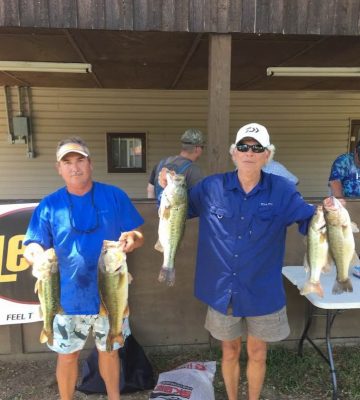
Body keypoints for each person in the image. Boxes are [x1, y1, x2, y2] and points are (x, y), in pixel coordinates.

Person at [172, 122, 314, 400]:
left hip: (262, 289)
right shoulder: (211, 187)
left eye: (257, 148)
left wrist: (333, 217)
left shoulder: (282, 190)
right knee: (230, 350)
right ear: (234, 153)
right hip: (222, 289)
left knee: (258, 352)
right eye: (243, 147)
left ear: (267, 155)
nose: (249, 152)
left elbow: (310, 220)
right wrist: (168, 188)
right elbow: (178, 209)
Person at [23, 137, 144, 400]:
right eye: (67, 162)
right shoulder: (49, 205)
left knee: (110, 352)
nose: (74, 167)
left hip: (109, 293)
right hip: (66, 299)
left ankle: (114, 397)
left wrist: (132, 240)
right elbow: (32, 244)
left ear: (90, 163)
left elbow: (136, 232)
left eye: (80, 160)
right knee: (67, 357)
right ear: (58, 168)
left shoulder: (114, 195)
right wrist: (36, 255)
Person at [147, 128, 204, 202]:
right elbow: (198, 199)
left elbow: (150, 189)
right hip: (180, 213)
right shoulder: (193, 170)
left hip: (160, 211)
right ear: (197, 148)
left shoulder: (161, 163)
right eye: (202, 147)